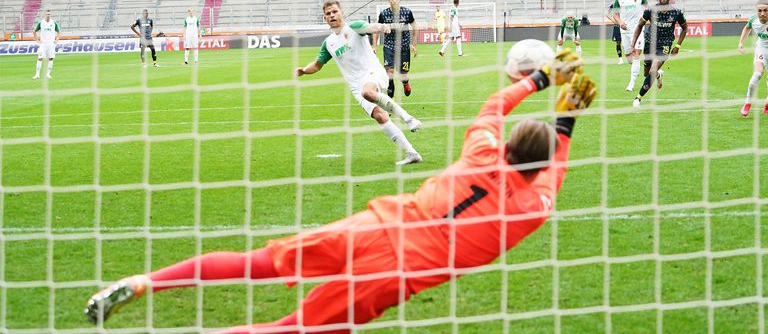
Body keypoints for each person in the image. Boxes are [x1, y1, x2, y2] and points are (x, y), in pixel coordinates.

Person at [84, 51, 596, 334]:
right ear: (542, 167)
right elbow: (557, 167)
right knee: (292, 328)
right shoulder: (533, 206)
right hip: (399, 273)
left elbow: (492, 103)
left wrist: (540, 78)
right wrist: (568, 118)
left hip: (377, 226)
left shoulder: (480, 149)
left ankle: (146, 280)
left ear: (506, 144)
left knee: (256, 262)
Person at [298, 0, 422, 164]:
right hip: (356, 86)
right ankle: (412, 153)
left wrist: (382, 27)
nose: (332, 15)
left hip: (373, 73)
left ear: (341, 12)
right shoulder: (328, 43)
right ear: (324, 19)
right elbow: (317, 65)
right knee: (380, 116)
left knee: (368, 92)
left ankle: (409, 119)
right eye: (328, 14)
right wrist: (304, 70)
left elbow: (370, 27)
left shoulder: (354, 27)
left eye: (334, 11)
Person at [631, 0, 687, 108]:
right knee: (647, 73)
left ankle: (638, 98)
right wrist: (633, 44)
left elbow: (685, 28)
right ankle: (658, 75)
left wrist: (677, 45)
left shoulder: (676, 12)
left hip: (665, 44)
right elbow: (640, 25)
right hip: (650, 42)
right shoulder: (650, 10)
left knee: (652, 70)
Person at [372, 0, 418, 98]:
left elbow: (415, 26)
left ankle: (406, 84)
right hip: (389, 46)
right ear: (389, 0)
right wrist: (374, 45)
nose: (394, 1)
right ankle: (390, 86)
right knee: (390, 71)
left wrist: (414, 44)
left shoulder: (407, 12)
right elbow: (376, 29)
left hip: (404, 47)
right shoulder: (384, 14)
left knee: (403, 74)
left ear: (400, 0)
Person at [612, 0, 648, 91]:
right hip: (624, 31)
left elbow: (648, 11)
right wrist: (620, 22)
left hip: (637, 30)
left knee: (636, 55)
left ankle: (631, 84)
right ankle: (656, 73)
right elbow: (615, 15)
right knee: (628, 58)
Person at [737, 0, 768, 116]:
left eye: (765, 10)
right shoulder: (753, 20)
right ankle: (747, 103)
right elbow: (747, 27)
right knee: (757, 74)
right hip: (762, 48)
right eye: (760, 11)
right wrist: (740, 43)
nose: (763, 13)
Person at [32, 9, 60, 79]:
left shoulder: (54, 22)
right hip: (43, 44)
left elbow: (58, 31)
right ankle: (37, 74)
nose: (48, 16)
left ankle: (48, 74)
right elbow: (34, 31)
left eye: (49, 14)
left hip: (51, 44)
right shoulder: (41, 22)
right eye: (47, 14)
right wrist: (36, 40)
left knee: (51, 58)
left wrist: (57, 39)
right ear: (44, 15)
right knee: (40, 58)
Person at [606, 0, 624, 65]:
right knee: (618, 42)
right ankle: (620, 59)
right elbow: (607, 14)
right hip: (617, 26)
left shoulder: (627, 4)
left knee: (628, 42)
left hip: (626, 25)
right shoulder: (613, 4)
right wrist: (614, 21)